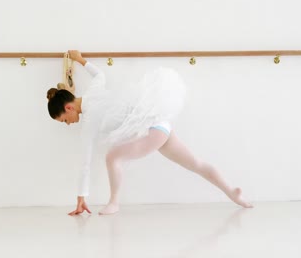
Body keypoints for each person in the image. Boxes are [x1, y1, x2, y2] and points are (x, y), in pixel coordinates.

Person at [47, 50, 253, 215]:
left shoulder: (90, 120)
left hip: (153, 129)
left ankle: (114, 202)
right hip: (160, 124)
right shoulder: (93, 91)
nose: (68, 124)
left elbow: (86, 161)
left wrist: (81, 197)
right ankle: (232, 193)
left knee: (112, 158)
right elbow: (99, 74)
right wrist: (81, 60)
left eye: (65, 120)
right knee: (195, 163)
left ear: (68, 108)